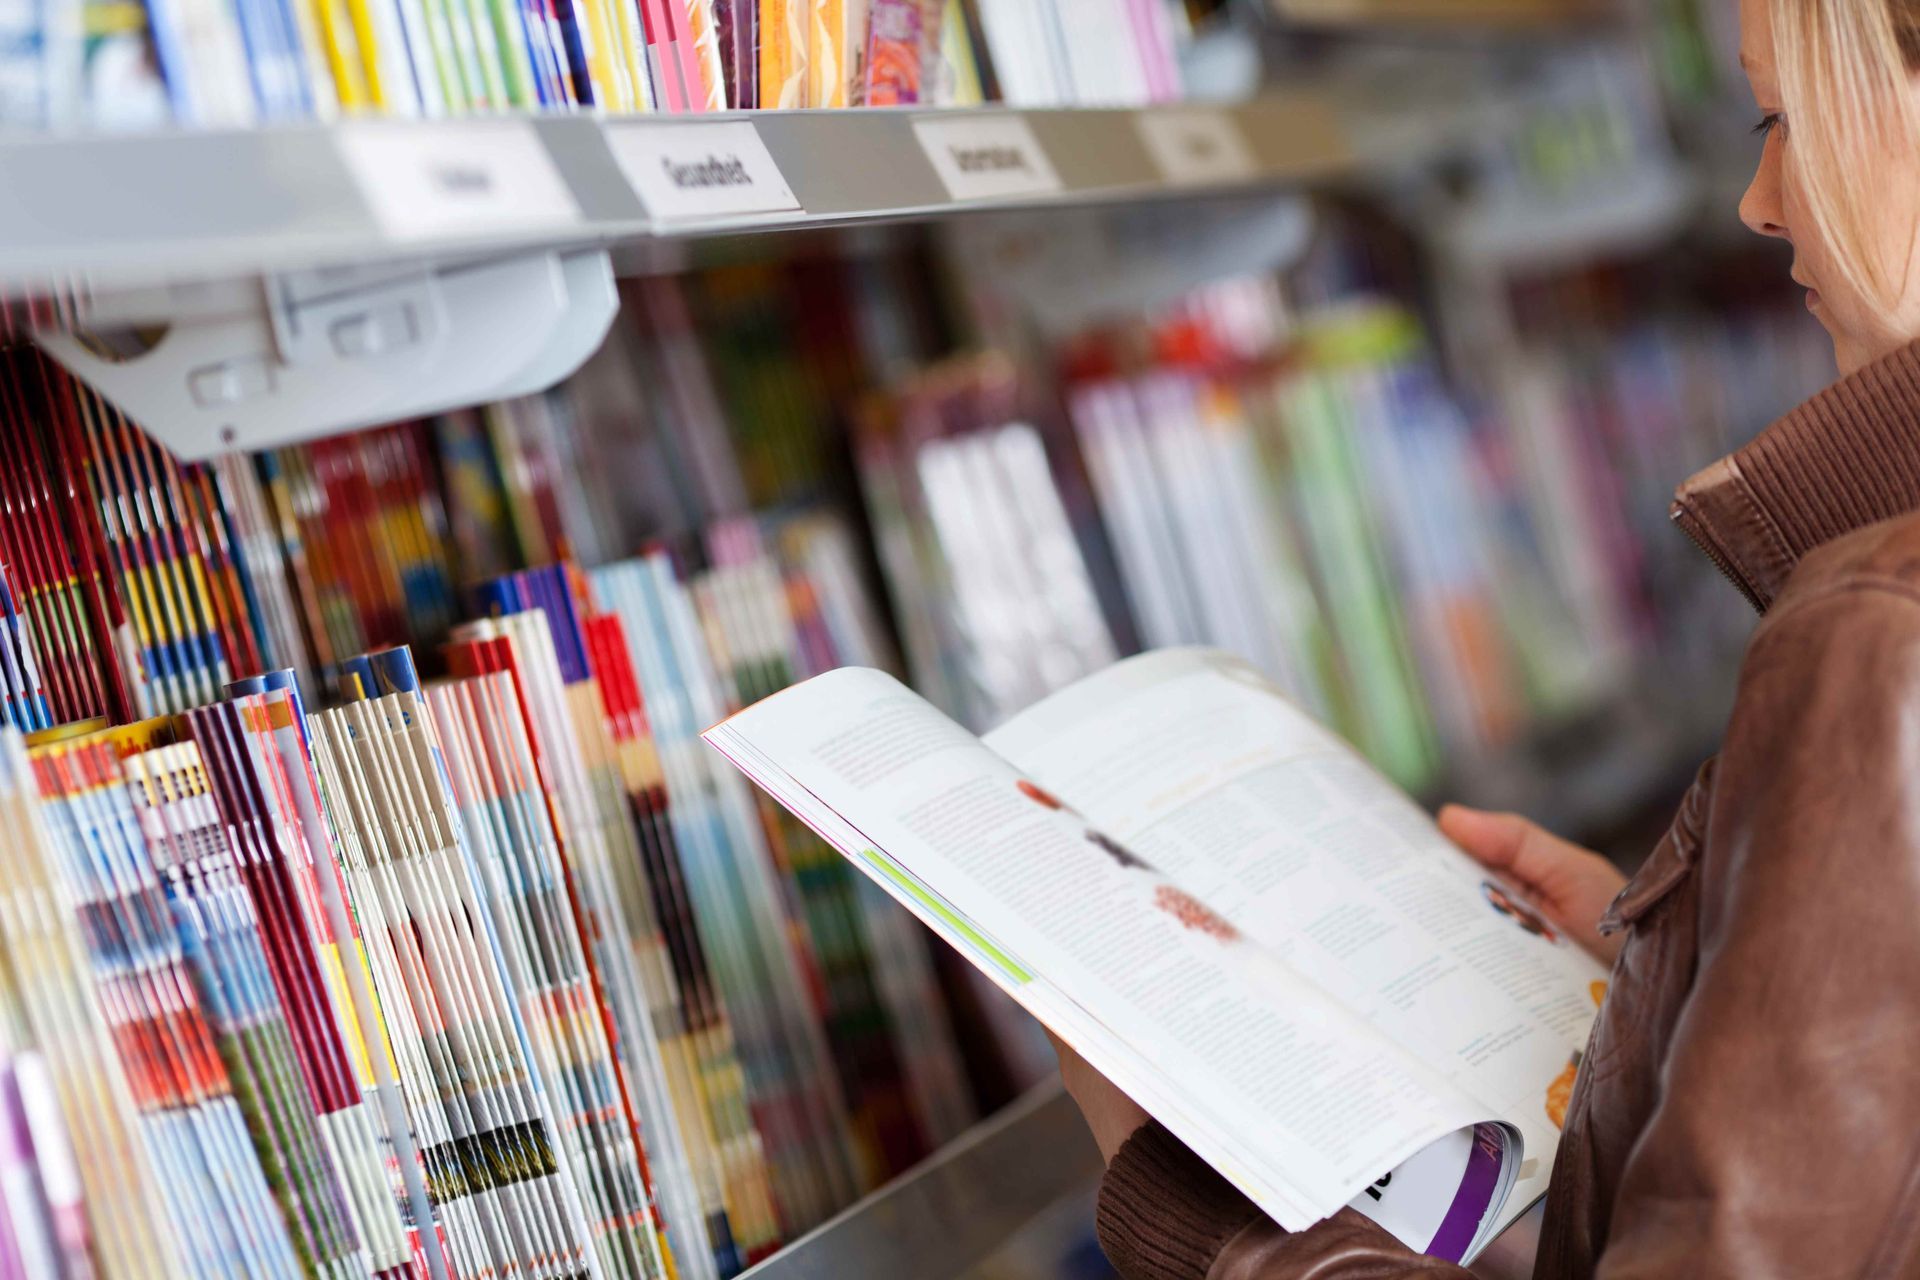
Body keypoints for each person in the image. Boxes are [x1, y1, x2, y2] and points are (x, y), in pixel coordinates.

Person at [1051, 0, 1920, 1274]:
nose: (1758, 200)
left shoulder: (1871, 635)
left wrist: (1207, 1211)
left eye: (1781, 117)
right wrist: (1679, 970)